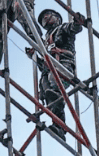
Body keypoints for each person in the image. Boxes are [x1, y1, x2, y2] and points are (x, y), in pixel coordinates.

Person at [31, 8, 85, 138]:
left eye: (48, 16)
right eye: (44, 19)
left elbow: (74, 28)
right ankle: (59, 125)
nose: (46, 19)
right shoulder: (43, 42)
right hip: (48, 69)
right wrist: (34, 57)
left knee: (54, 82)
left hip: (63, 64)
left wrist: (78, 21)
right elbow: (42, 63)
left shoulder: (62, 29)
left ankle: (59, 125)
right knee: (49, 96)